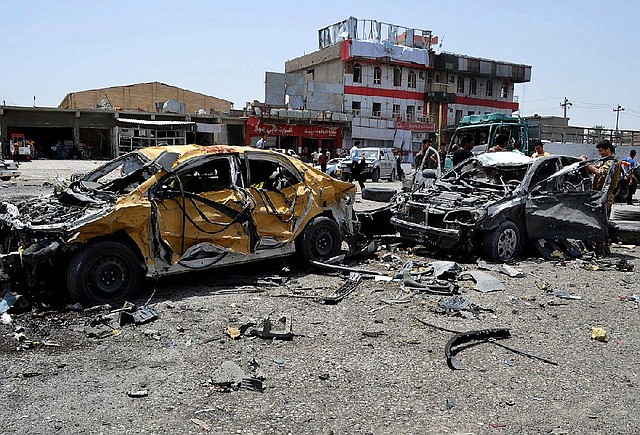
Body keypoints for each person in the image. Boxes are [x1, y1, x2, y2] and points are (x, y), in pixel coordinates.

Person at [580, 139, 620, 256]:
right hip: (600, 195)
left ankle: (600, 251)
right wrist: (585, 161)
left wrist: (587, 163)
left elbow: (599, 172)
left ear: (608, 150)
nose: (600, 153)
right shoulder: (605, 161)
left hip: (605, 196)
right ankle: (604, 249)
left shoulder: (612, 162)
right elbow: (594, 167)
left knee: (600, 223)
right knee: (603, 223)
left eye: (601, 151)